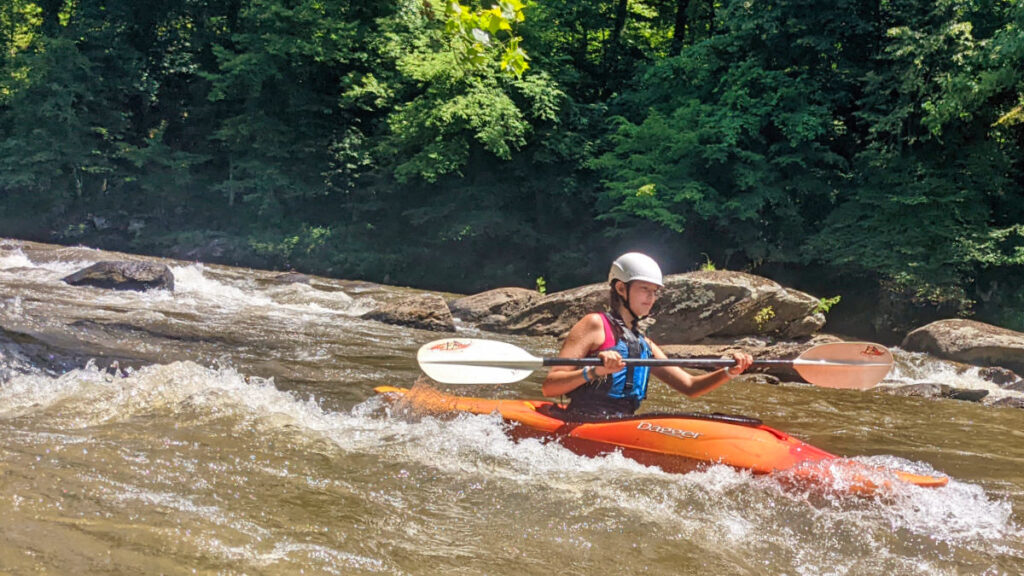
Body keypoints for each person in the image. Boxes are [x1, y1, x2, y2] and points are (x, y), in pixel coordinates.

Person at [541, 252, 753, 418]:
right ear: (621, 288)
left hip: (622, 421)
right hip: (583, 418)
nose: (651, 298)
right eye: (644, 289)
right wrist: (595, 371)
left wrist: (729, 372)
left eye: (654, 291)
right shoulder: (594, 324)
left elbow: (690, 387)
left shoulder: (645, 345)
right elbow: (550, 386)